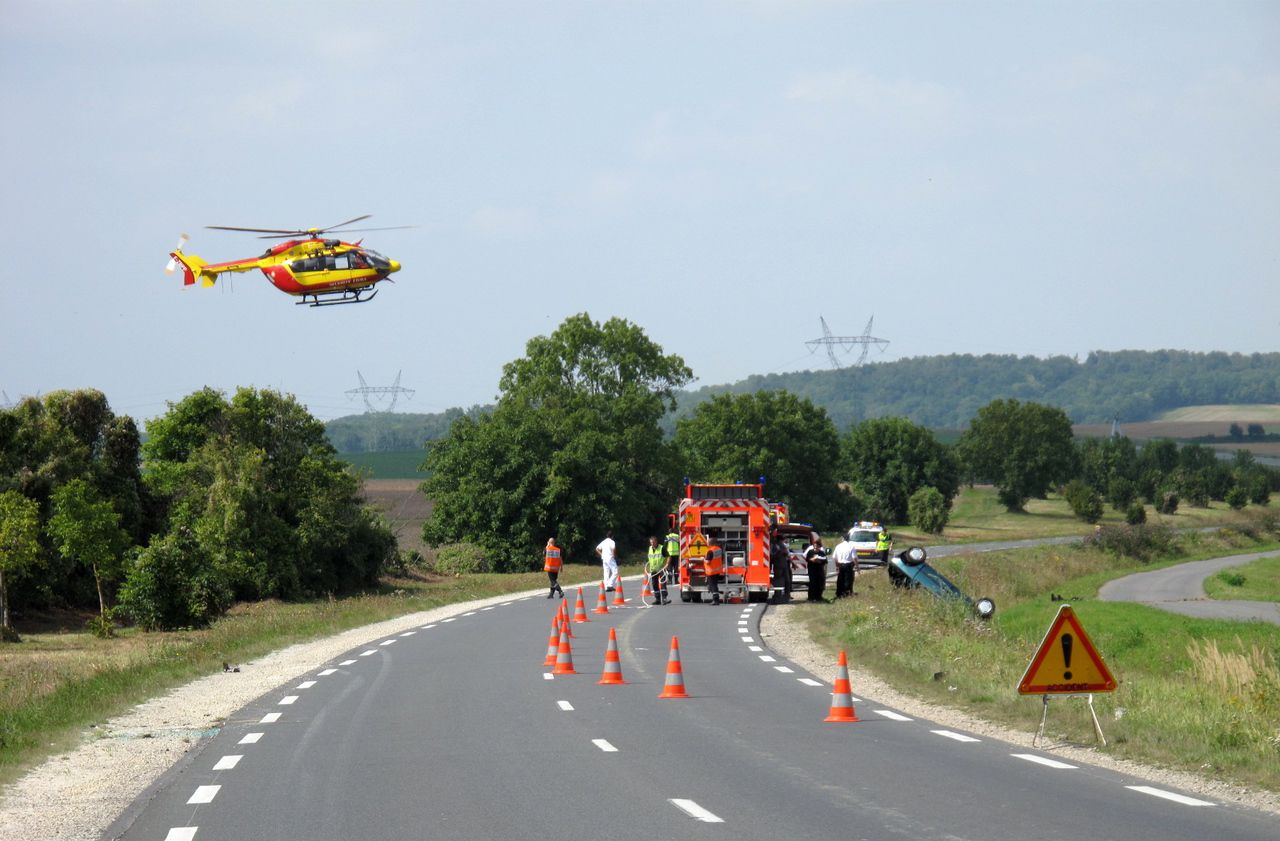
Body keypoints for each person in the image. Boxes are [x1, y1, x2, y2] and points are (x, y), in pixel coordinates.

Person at [769, 530, 792, 603]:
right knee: (778, 580)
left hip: (784, 565)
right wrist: (779, 553)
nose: (783, 541)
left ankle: (787, 594)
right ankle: (777, 595)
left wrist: (791, 562)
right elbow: (771, 555)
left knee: (787, 581)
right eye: (782, 539)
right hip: (778, 565)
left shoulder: (783, 545)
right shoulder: (774, 545)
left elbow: (788, 555)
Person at [804, 535, 828, 602]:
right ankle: (811, 597)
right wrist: (814, 560)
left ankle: (818, 597)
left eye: (817, 546)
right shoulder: (810, 552)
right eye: (814, 545)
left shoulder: (822, 553)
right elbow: (808, 559)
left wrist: (818, 560)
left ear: (819, 547)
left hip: (819, 570)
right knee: (812, 583)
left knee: (819, 583)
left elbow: (825, 561)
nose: (815, 547)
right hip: (812, 570)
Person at [832, 532, 856, 598]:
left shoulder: (838, 546)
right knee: (848, 579)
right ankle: (847, 592)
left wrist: (837, 566)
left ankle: (839, 593)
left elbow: (834, 557)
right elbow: (854, 558)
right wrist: (857, 566)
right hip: (848, 565)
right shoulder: (851, 546)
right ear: (849, 538)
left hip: (840, 564)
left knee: (840, 579)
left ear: (842, 538)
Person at [703, 534, 725, 605]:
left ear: (710, 543)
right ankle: (715, 599)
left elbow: (708, 562)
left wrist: (703, 560)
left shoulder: (710, 551)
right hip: (717, 571)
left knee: (713, 585)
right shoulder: (719, 549)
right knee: (715, 584)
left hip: (711, 571)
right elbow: (722, 558)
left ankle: (715, 600)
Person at [646, 536, 668, 605]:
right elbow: (650, 559)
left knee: (662, 583)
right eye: (651, 543)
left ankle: (664, 598)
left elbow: (668, 556)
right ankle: (657, 599)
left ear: (656, 542)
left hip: (661, 569)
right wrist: (649, 569)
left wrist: (666, 565)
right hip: (653, 570)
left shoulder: (662, 548)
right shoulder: (650, 548)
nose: (652, 544)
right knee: (654, 584)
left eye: (653, 542)